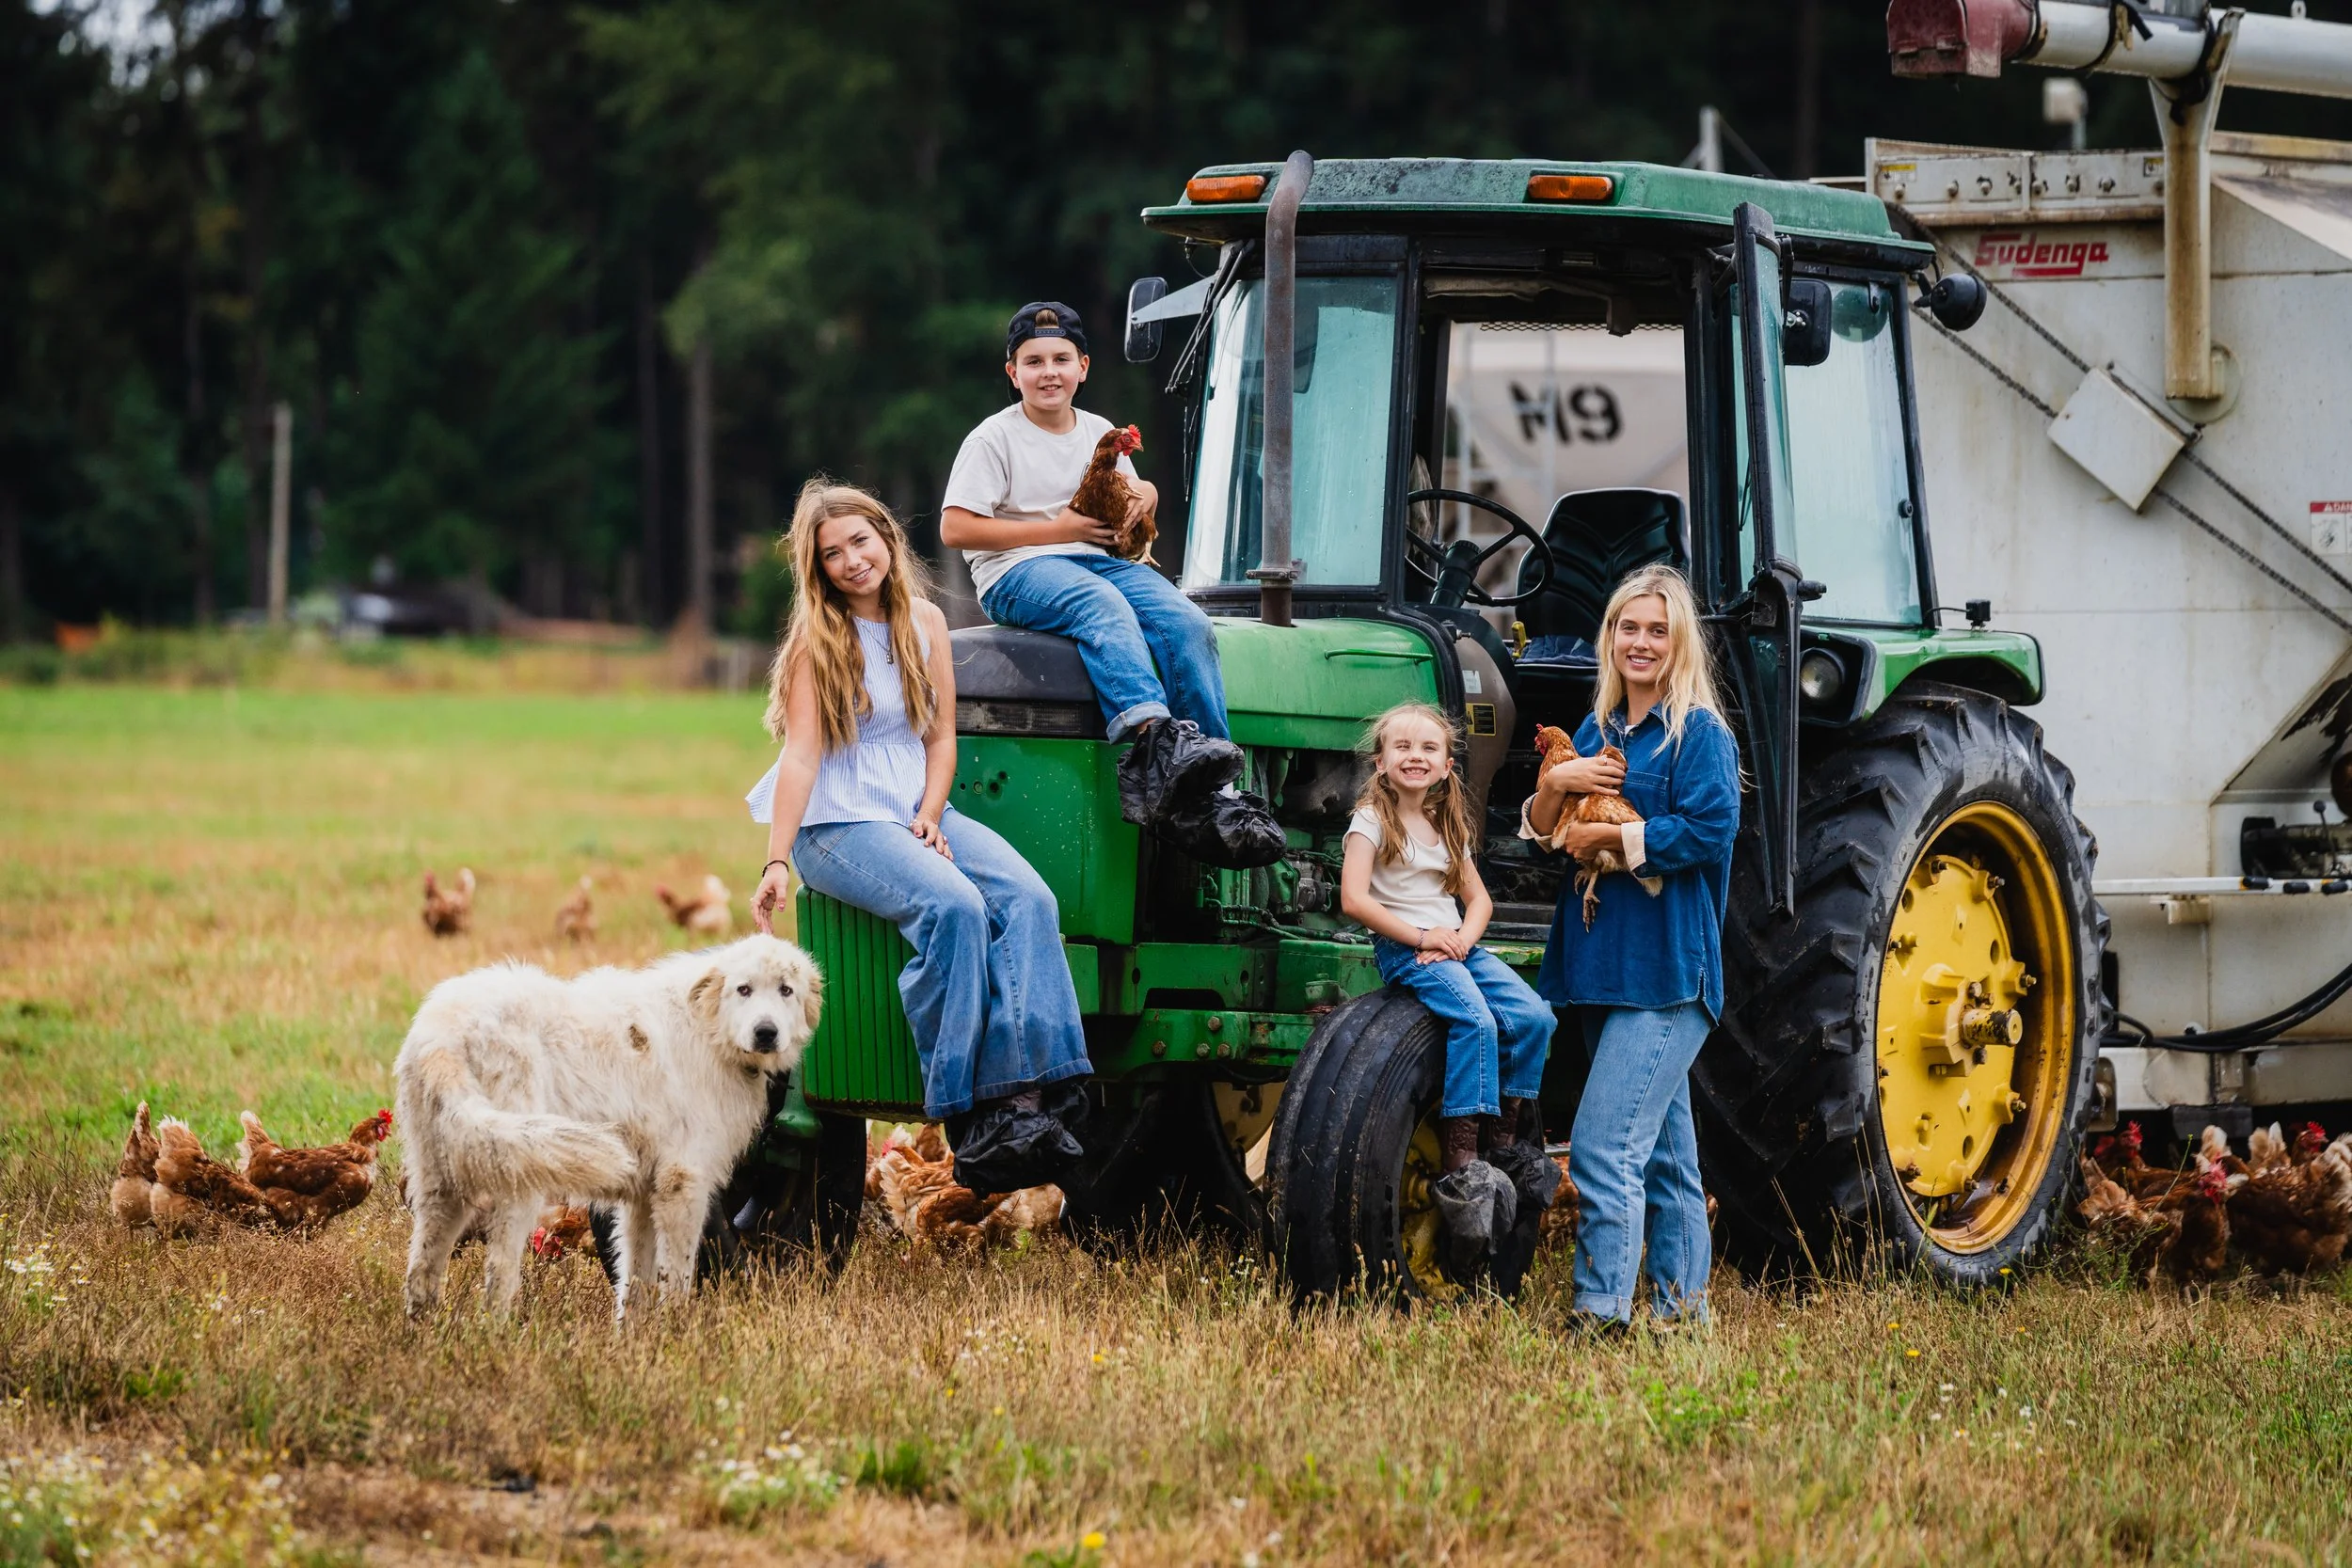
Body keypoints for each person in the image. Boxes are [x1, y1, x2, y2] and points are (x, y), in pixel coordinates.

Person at [748, 478, 1089, 1196]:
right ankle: (965, 1108)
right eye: (831, 553)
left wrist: (933, 813)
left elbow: (940, 740)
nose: (850, 560)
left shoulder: (927, 622)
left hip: (914, 810)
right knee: (954, 908)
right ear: (819, 569)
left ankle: (1032, 1097)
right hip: (837, 822)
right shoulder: (821, 639)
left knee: (1030, 900)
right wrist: (778, 856)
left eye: (859, 541)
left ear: (887, 539)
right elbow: (803, 756)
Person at [940, 301, 1279, 864]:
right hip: (1018, 570)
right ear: (1012, 372)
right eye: (1034, 361)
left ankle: (1215, 776)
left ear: (1083, 367)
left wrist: (1147, 495)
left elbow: (1132, 496)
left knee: (1186, 622)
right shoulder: (992, 439)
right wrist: (1058, 530)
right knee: (1103, 608)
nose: (1049, 371)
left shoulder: (1099, 429)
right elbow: (955, 527)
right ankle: (1155, 744)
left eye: (1061, 359)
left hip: (1096, 561)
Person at [1522, 563, 1740, 1331]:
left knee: (1605, 1143)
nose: (1640, 642)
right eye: (1627, 627)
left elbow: (1712, 831)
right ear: (1609, 637)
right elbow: (1549, 831)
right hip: (1603, 963)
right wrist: (1562, 790)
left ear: (1678, 642)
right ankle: (1683, 1314)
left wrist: (1615, 835)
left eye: (1656, 629)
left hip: (1668, 971)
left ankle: (1602, 1312)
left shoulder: (1699, 735)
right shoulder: (1597, 730)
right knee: (1670, 1160)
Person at [1340, 702, 1558, 1276]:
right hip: (1406, 947)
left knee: (1535, 1017)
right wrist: (1423, 936)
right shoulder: (1371, 820)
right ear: (1381, 761)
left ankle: (1504, 1147)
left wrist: (1460, 938)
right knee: (1476, 1022)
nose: (1416, 757)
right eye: (1403, 748)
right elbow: (1355, 900)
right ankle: (1462, 1162)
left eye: (1428, 749)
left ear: (1446, 764)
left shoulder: (1445, 824)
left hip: (1453, 943)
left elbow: (1480, 900)